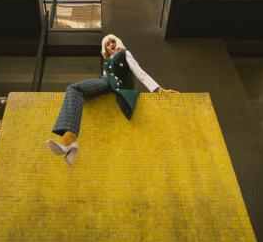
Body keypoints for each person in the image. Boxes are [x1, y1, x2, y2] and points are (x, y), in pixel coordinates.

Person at [46, 33, 176, 165]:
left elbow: (139, 72)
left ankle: (70, 139)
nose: (110, 45)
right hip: (104, 84)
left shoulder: (125, 54)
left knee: (74, 88)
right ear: (105, 49)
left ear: (118, 42)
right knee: (74, 89)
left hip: (112, 86)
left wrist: (157, 89)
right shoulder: (108, 62)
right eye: (107, 44)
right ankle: (70, 141)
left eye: (112, 42)